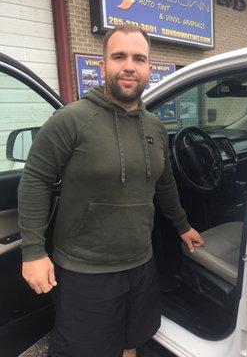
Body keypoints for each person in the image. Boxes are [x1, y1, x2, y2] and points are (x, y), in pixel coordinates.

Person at [18, 25, 204, 357]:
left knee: (132, 341)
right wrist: (33, 252)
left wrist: (182, 226)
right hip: (84, 271)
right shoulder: (71, 120)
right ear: (103, 65)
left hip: (141, 263)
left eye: (139, 58)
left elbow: (164, 183)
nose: (129, 66)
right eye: (119, 56)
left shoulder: (155, 127)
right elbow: (35, 179)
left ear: (149, 69)